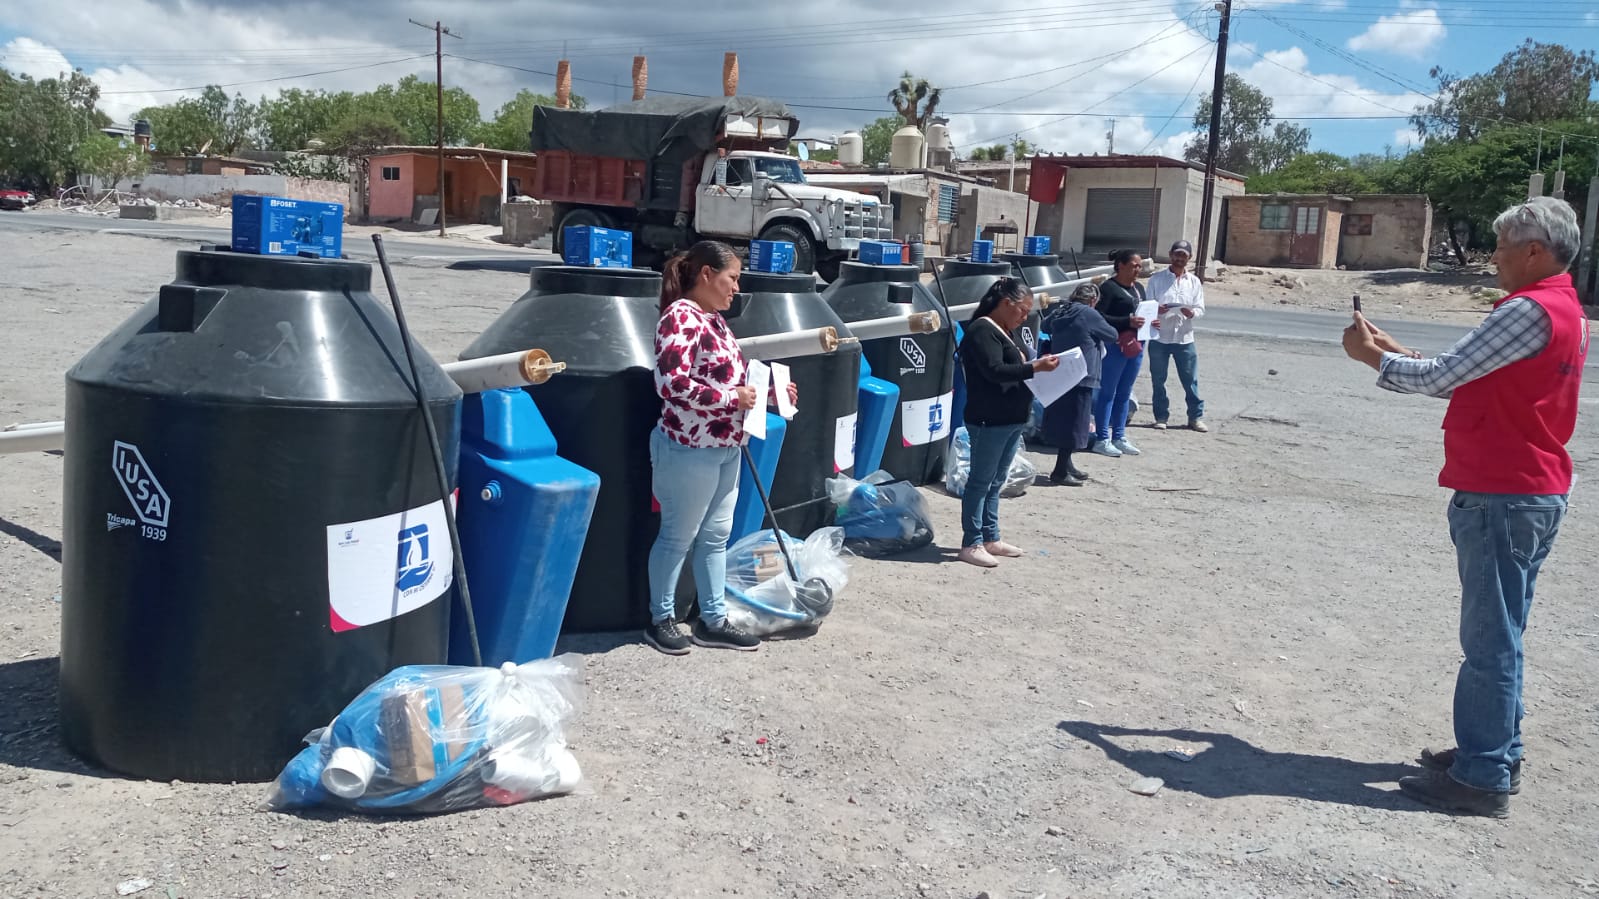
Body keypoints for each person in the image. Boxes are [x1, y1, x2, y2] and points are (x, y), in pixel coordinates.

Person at [1341, 196, 1588, 818]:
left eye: (1503, 245)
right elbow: (1462, 373)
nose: (1494, 257)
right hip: (1530, 490)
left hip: (1504, 493)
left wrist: (1372, 358)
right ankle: (1496, 750)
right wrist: (1394, 351)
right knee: (1505, 633)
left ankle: (1482, 776)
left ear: (1535, 251)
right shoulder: (1562, 307)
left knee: (1489, 640)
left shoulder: (1526, 309)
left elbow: (1442, 378)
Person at [644, 240, 798, 655]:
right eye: (731, 279)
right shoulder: (681, 317)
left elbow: (725, 379)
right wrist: (734, 400)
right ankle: (662, 618)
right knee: (678, 536)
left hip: (725, 445)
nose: (735, 289)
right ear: (707, 275)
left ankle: (712, 619)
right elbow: (670, 383)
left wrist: (766, 395)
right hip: (690, 447)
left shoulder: (712, 320)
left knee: (714, 536)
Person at [956, 278, 1061, 567]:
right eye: (1022, 310)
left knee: (997, 481)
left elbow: (1013, 367)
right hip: (989, 419)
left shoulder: (1006, 330)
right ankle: (971, 542)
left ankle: (990, 536)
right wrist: (1034, 367)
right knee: (980, 481)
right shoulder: (981, 331)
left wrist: (1036, 366)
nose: (1025, 317)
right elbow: (995, 371)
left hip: (1012, 418)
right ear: (1005, 304)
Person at [1040, 281, 1119, 485]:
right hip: (1083, 375)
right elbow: (1112, 335)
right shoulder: (1089, 313)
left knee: (1063, 421)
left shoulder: (1061, 310)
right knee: (1075, 424)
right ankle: (1059, 471)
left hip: (1060, 373)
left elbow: (1044, 325)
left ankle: (1067, 464)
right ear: (1093, 300)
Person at [1090, 249, 1150, 457]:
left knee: (1125, 392)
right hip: (1115, 346)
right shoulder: (1108, 288)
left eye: (1139, 266)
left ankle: (1119, 436)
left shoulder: (1139, 288)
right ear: (1121, 265)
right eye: (1134, 265)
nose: (1138, 270)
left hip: (1136, 345)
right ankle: (1101, 438)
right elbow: (1098, 316)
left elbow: (1142, 312)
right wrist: (1126, 322)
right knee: (1108, 392)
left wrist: (1151, 322)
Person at [1146, 239, 1207, 432]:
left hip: (1184, 338)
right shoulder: (1157, 279)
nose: (1180, 258)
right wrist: (1158, 310)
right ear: (1171, 255)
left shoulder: (1194, 282)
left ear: (1189, 258)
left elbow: (1200, 308)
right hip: (1159, 337)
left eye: (1184, 255)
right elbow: (1147, 306)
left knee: (1190, 381)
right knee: (1158, 380)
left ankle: (1195, 417)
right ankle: (1161, 416)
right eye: (1177, 254)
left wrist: (1192, 313)